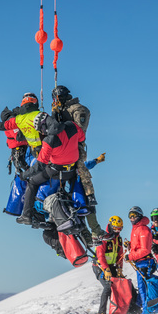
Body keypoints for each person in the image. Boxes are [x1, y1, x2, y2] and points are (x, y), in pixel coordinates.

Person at [51, 86, 107, 242]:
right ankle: (85, 233)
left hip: (73, 151)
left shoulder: (78, 110)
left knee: (83, 189)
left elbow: (78, 132)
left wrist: (61, 116)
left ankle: (94, 230)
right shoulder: (63, 110)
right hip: (62, 153)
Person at [16, 112, 85, 225]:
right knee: (75, 182)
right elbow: (82, 138)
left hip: (55, 171)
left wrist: (25, 175)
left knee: (32, 182)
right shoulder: (71, 125)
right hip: (72, 170)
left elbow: (40, 165)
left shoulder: (49, 140)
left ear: (44, 127)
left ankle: (26, 215)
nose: (41, 132)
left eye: (40, 130)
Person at [124, 206, 156, 314]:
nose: (132, 218)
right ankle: (138, 308)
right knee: (142, 286)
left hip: (144, 262)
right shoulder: (136, 229)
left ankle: (146, 311)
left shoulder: (143, 229)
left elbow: (145, 250)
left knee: (143, 287)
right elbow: (138, 246)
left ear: (139, 216)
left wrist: (130, 257)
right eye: (130, 216)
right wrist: (130, 245)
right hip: (140, 262)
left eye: (134, 216)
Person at [92, 216, 125, 314]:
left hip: (111, 266)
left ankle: (121, 310)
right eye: (115, 228)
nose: (117, 231)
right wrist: (106, 269)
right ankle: (101, 312)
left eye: (119, 229)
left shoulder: (118, 239)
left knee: (121, 285)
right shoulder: (104, 237)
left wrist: (119, 268)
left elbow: (120, 255)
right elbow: (100, 256)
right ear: (110, 226)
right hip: (100, 266)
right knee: (108, 286)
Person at [3, 93, 42, 157]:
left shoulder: (21, 118)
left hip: (30, 148)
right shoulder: (15, 119)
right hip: (24, 150)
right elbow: (19, 137)